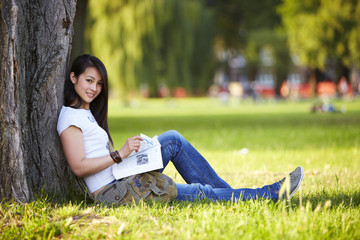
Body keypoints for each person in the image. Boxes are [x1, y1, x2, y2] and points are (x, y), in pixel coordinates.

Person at [57, 54, 304, 204]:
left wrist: (130, 154)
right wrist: (119, 154)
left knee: (173, 139)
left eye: (99, 83)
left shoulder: (87, 113)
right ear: (73, 78)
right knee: (200, 192)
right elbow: (78, 167)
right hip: (113, 193)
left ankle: (232, 197)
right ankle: (271, 194)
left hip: (121, 175)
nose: (94, 88)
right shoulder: (69, 118)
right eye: (89, 81)